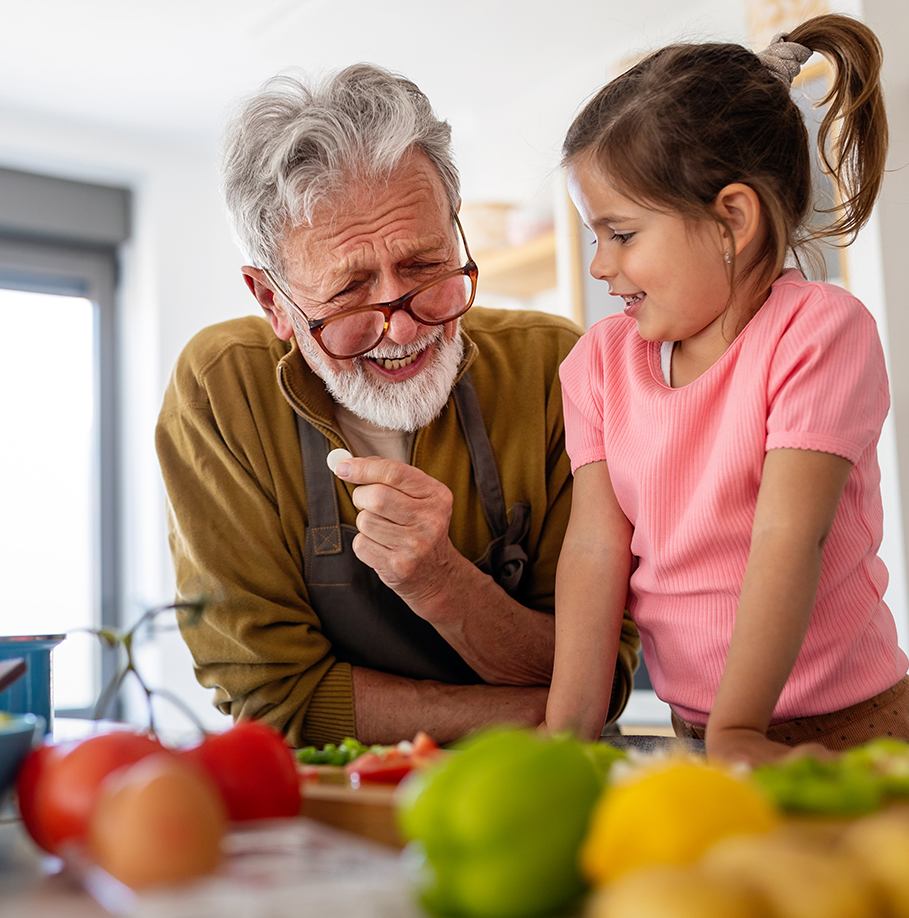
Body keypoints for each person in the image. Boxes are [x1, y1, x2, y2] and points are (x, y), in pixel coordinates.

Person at [156, 63, 640, 749]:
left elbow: (602, 669)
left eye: (423, 267)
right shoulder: (219, 390)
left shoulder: (555, 368)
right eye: (351, 291)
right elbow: (271, 696)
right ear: (273, 302)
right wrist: (543, 712)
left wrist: (441, 583)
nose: (404, 327)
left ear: (455, 231)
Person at [544, 14, 909, 765]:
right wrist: (563, 734)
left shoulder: (817, 331)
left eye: (619, 234)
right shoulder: (598, 364)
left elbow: (787, 537)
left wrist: (740, 728)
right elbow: (593, 549)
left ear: (730, 220)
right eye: (592, 238)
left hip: (852, 728)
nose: (598, 267)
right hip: (701, 731)